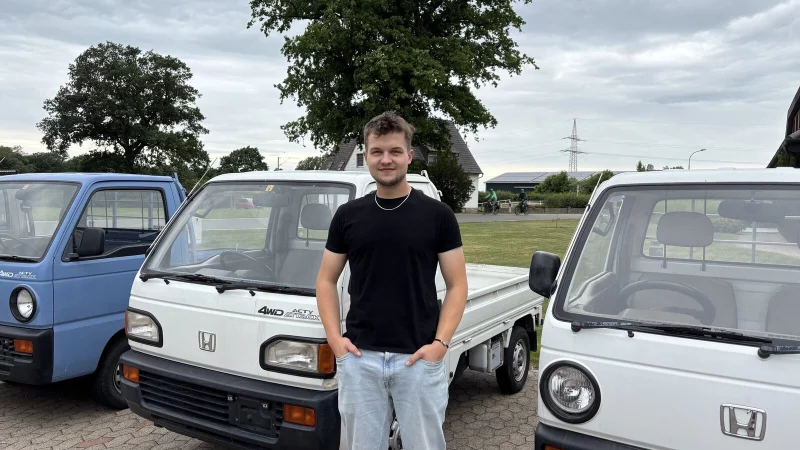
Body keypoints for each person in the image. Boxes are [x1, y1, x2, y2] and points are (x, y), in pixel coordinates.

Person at [316, 111, 468, 450]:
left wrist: (440, 344)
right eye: (377, 152)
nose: (386, 159)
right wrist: (335, 340)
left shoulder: (438, 215)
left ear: (409, 156)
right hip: (360, 359)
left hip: (419, 358)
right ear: (366, 156)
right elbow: (326, 280)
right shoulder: (348, 216)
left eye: (395, 151)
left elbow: (457, 285)